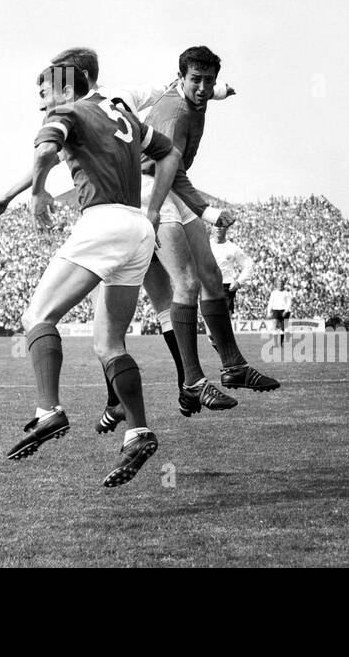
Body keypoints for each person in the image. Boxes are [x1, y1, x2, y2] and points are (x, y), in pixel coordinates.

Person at [0, 60, 183, 487]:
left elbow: (45, 151)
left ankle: (50, 412)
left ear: (63, 90)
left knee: (37, 317)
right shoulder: (118, 113)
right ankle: (138, 431)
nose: (40, 101)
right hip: (137, 228)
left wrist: (39, 193)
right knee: (109, 343)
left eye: (44, 92)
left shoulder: (65, 113)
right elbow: (169, 153)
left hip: (102, 222)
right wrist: (153, 210)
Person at [136, 45, 280, 418]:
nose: (202, 88)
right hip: (150, 187)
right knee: (186, 283)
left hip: (172, 186)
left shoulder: (197, 94)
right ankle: (193, 382)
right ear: (180, 78)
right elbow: (169, 167)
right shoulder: (175, 112)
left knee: (212, 276)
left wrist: (224, 91)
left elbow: (208, 91)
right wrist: (208, 211)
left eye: (208, 81)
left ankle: (232, 365)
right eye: (195, 80)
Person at [211, 223, 255, 317]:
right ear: (212, 227)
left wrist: (239, 282)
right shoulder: (205, 245)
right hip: (208, 286)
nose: (219, 227)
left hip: (226, 287)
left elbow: (248, 265)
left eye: (221, 225)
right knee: (210, 321)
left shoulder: (233, 248)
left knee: (224, 322)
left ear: (227, 228)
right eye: (216, 225)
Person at [266, 276, 292, 347]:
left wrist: (286, 311)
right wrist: (269, 312)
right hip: (275, 310)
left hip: (284, 311)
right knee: (274, 326)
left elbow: (289, 303)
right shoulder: (273, 293)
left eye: (281, 284)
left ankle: (281, 343)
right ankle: (275, 343)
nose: (280, 285)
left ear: (283, 285)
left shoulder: (287, 293)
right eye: (279, 284)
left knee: (282, 328)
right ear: (277, 285)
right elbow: (270, 302)